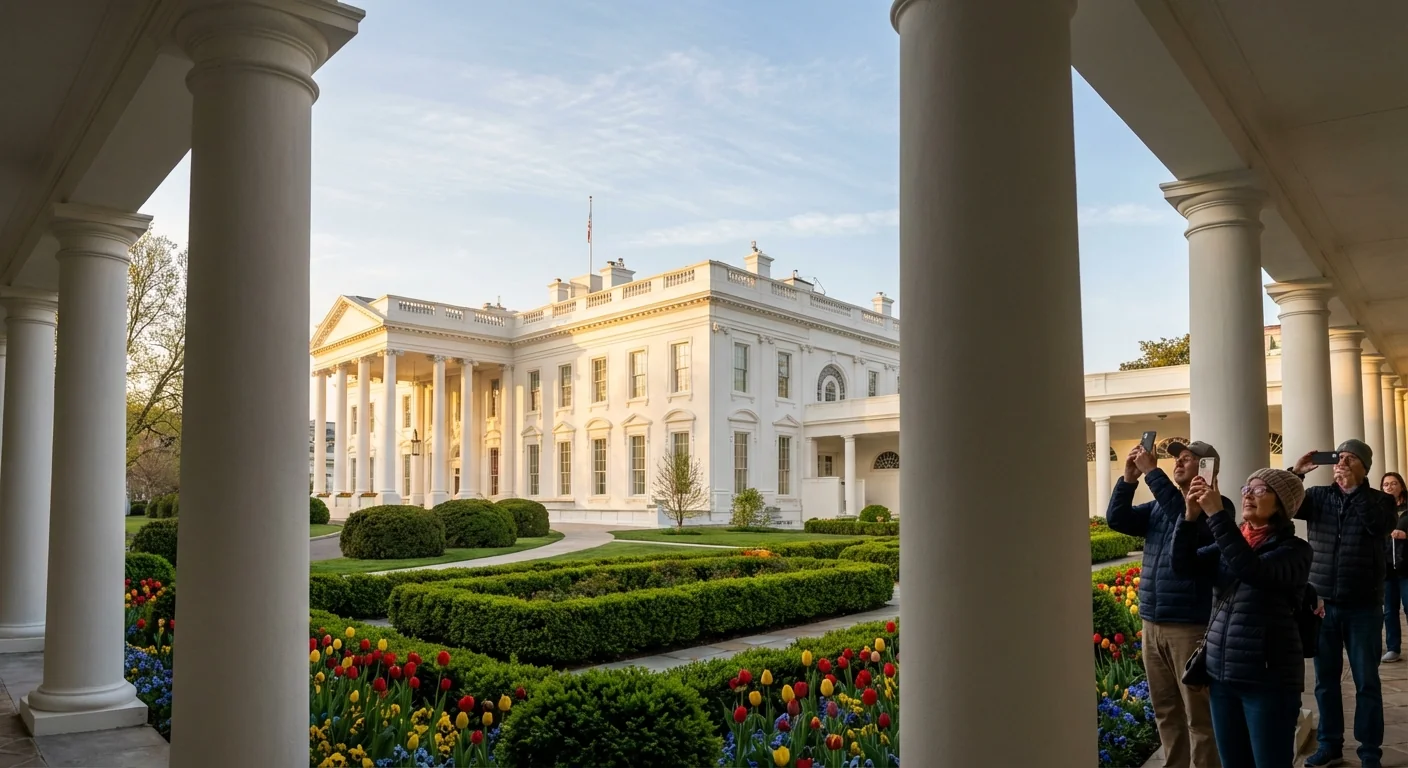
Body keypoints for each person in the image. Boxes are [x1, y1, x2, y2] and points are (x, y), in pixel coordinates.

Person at [1173, 469, 1313, 768]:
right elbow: (1183, 566)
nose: (1248, 495)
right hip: (1223, 676)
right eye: (1247, 488)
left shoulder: (1295, 551)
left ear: (1282, 504)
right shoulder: (1234, 543)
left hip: (1268, 680)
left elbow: (1252, 570)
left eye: (1260, 490)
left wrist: (1216, 515)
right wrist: (1189, 517)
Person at [1108, 439, 1229, 768]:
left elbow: (1184, 518)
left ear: (1207, 469)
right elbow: (1117, 520)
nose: (1178, 462)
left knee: (1199, 716)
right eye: (1178, 458)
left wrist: (1152, 473)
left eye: (1188, 459)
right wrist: (1129, 479)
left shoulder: (1217, 508)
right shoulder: (1159, 506)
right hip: (1152, 623)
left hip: (1190, 627)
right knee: (1165, 711)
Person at [1293, 440, 1397, 768]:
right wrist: (1297, 473)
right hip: (1322, 603)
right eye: (1341, 457)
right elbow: (1282, 506)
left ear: (1365, 467)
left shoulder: (1380, 500)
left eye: (1352, 459)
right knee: (1325, 681)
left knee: (1367, 681)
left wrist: (1355, 491)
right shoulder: (1317, 496)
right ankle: (1330, 745)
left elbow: (1379, 527)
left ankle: (1370, 751)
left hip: (1364, 604)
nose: (1344, 463)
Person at [1381, 471, 1408, 663]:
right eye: (1386, 484)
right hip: (1386, 568)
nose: (1390, 487)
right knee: (1389, 610)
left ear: (1401, 486)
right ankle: (1393, 648)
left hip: (1406, 566)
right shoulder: (1379, 509)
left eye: (1393, 483)